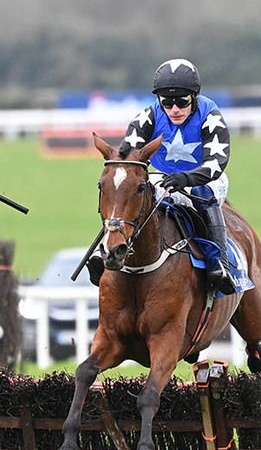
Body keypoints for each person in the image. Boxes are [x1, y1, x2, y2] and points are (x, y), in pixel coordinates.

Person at [89, 58, 236, 294]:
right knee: (127, 189)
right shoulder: (147, 117)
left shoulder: (211, 116)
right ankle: (106, 249)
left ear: (194, 98)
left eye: (182, 101)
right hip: (162, 177)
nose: (174, 109)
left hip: (204, 179)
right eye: (167, 102)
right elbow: (129, 155)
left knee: (201, 192)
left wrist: (186, 179)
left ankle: (218, 260)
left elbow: (216, 164)